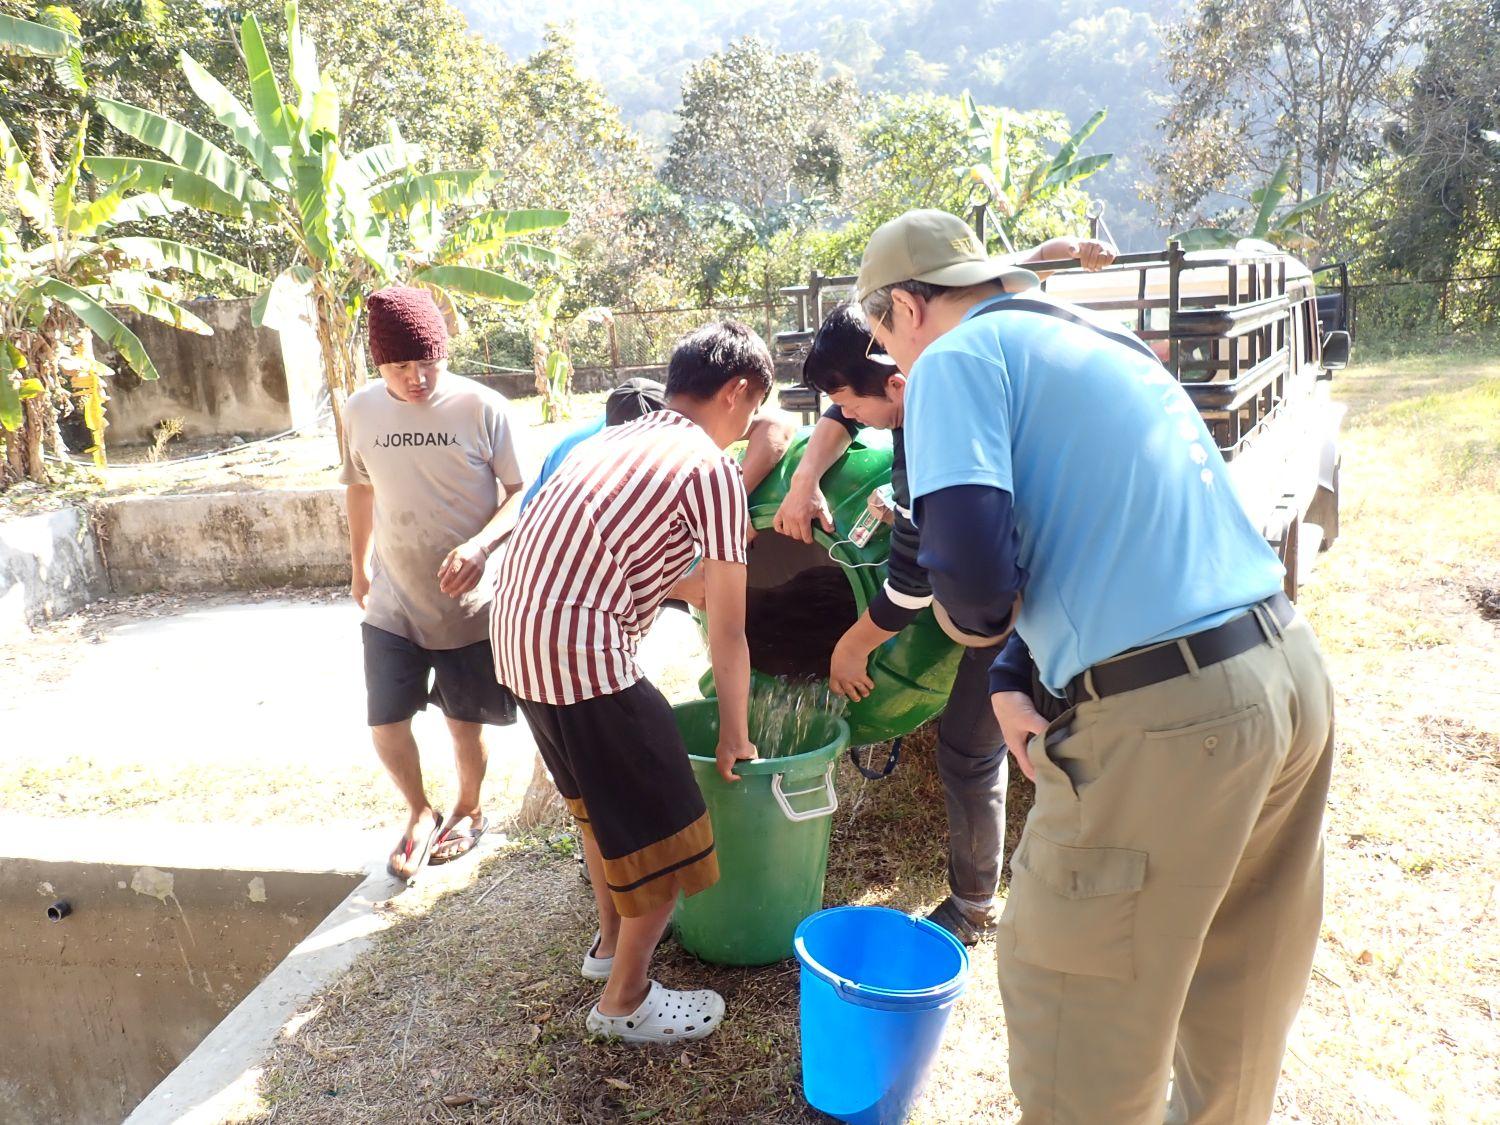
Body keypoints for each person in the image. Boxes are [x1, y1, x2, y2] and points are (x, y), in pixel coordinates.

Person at [857, 209, 1334, 1123]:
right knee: (1236, 984)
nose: (896, 368)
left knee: (1072, 995)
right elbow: (1111, 532)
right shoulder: (1108, 343)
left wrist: (976, 629)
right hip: (1284, 673)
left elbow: (971, 571)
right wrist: (1009, 673)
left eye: (887, 340)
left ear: (910, 307)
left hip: (1172, 721)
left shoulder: (955, 360)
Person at [773, 238, 1116, 945]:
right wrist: (804, 479)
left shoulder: (937, 406)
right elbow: (846, 413)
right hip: (1045, 580)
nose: (842, 416)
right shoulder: (939, 373)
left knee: (979, 741)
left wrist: (853, 645)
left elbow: (915, 580)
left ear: (897, 364)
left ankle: (983, 902)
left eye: (844, 399)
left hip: (1058, 593)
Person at [492, 321, 770, 1044]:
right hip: (583, 654)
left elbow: (611, 552)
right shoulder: (709, 467)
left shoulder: (617, 438)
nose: (742, 435)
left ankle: (609, 945)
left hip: (519, 642)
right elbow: (731, 630)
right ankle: (625, 1000)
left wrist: (685, 587)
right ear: (736, 393)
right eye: (746, 416)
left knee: (597, 813)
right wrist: (737, 731)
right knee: (667, 834)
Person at [341, 286, 526, 882]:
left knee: (462, 719)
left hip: (467, 601)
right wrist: (357, 563)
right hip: (393, 598)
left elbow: (521, 494)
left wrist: (480, 546)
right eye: (400, 367)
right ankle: (419, 809)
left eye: (428, 363)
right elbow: (361, 486)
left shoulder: (481, 406)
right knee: (385, 719)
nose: (417, 378)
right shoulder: (360, 410)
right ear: (380, 364)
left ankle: (469, 809)